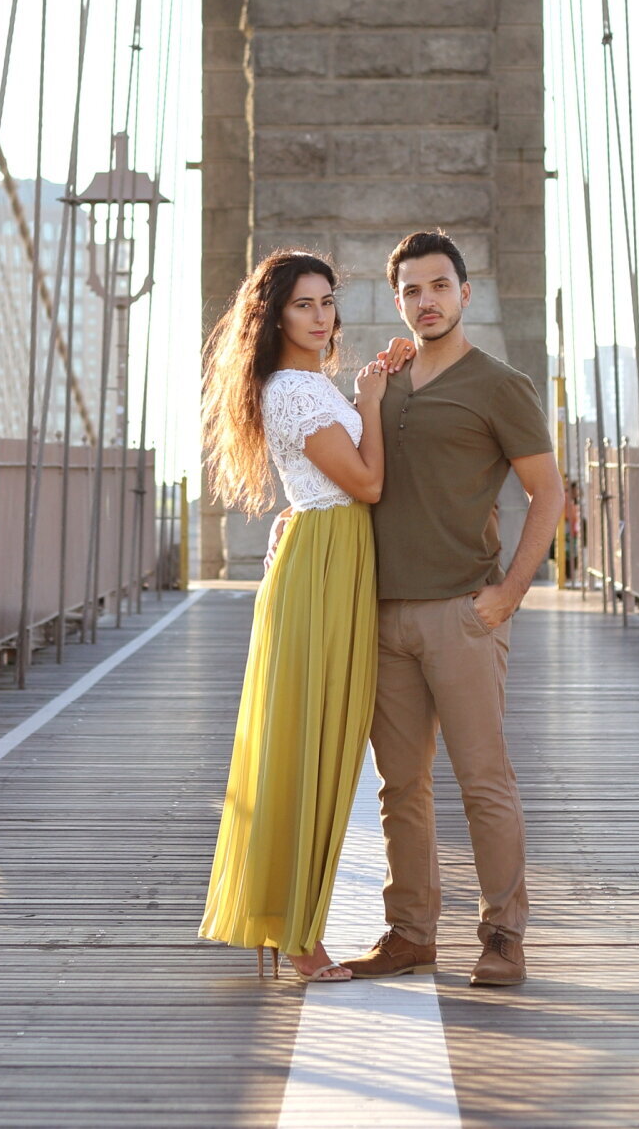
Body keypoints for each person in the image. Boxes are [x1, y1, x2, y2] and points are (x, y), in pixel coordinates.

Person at [339, 229, 565, 987]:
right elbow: (354, 482)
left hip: (462, 614)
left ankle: (503, 935)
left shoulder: (501, 385)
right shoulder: (382, 383)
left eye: (440, 286)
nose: (426, 301)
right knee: (399, 785)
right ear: (398, 300)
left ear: (465, 294)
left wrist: (508, 593)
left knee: (482, 780)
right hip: (382, 613)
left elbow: (549, 492)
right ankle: (410, 933)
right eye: (411, 290)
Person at [198, 249, 405, 983]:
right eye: (304, 305)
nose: (322, 318)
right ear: (275, 316)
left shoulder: (303, 387)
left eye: (327, 304)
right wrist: (372, 401)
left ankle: (290, 920)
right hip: (326, 565)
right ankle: (295, 930)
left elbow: (326, 481)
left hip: (329, 554)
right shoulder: (296, 391)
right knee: (312, 743)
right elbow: (369, 484)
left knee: (320, 739)